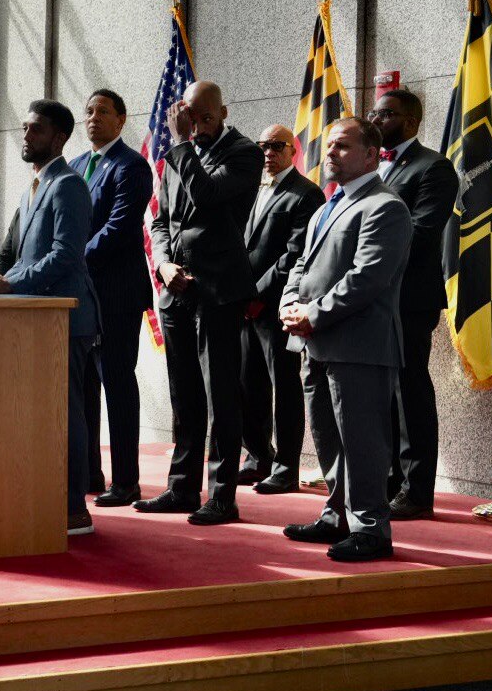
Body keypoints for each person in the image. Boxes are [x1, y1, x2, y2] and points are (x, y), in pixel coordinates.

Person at [279, 118, 412, 561]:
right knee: (328, 438)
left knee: (362, 441)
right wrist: (289, 304)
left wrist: (311, 315)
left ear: (372, 155)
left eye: (342, 146)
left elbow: (368, 277)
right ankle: (336, 516)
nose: (330, 153)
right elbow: (300, 265)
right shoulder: (325, 207)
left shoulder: (385, 207)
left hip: (359, 347)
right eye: (329, 145)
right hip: (316, 344)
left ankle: (372, 529)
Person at [137, 80, 263, 525]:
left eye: (205, 118)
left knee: (220, 394)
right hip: (178, 291)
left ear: (223, 112)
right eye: (191, 118)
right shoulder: (179, 158)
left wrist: (181, 143)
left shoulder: (244, 153)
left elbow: (207, 196)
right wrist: (165, 264)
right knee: (184, 394)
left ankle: (222, 495)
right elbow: (160, 220)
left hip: (219, 290)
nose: (198, 126)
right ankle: (181, 488)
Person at [0, 100, 100, 535]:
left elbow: (66, 256)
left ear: (60, 137)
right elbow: (15, 250)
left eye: (36, 130)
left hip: (65, 317)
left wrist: (12, 284)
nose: (27, 136)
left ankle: (75, 510)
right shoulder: (33, 184)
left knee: (65, 414)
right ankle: (41, 498)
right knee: (41, 413)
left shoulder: (68, 185)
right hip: (34, 318)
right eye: (25, 128)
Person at [367, 89, 458, 520]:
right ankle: (386, 480)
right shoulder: (370, 167)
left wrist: (368, 258)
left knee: (409, 391)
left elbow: (422, 232)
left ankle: (417, 489)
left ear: (411, 121)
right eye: (373, 111)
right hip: (372, 296)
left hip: (409, 297)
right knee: (381, 392)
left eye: (386, 113)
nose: (376, 118)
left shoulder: (433, 167)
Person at [66, 89, 153, 507]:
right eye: (88, 111)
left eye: (103, 111)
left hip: (116, 292)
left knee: (116, 381)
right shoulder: (77, 165)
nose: (94, 118)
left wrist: (72, 259)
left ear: (121, 120)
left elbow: (120, 228)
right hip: (80, 295)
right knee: (81, 385)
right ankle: (88, 472)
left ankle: (127, 481)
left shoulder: (131, 165)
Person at [238, 125, 324, 494]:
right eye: (263, 147)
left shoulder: (306, 194)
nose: (268, 153)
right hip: (243, 305)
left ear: (293, 150)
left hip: (278, 307)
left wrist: (257, 294)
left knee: (285, 388)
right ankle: (258, 456)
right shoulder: (253, 190)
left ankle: (287, 466)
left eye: (276, 146)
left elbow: (295, 255)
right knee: (247, 384)